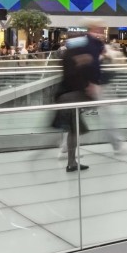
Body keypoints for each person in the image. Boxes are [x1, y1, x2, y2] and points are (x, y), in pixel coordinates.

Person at [54, 23, 106, 172]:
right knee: (74, 130)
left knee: (74, 130)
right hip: (70, 97)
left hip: (68, 97)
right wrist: (88, 86)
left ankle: (72, 162)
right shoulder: (75, 59)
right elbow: (75, 76)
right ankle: (70, 161)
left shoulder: (70, 56)